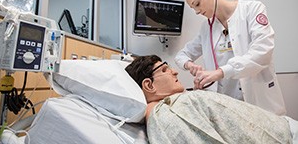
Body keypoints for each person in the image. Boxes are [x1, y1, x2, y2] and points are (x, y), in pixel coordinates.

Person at [174, 0, 286, 115]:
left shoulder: (252, 10)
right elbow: (181, 55)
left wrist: (220, 72)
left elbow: (262, 51)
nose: (197, 11)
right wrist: (189, 65)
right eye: (193, 8)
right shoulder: (206, 28)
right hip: (226, 107)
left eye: (197, 4)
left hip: (258, 100)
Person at [125, 55, 298, 144]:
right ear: (148, 86)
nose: (175, 72)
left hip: (285, 129)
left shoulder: (177, 104)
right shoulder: (166, 114)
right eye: (165, 70)